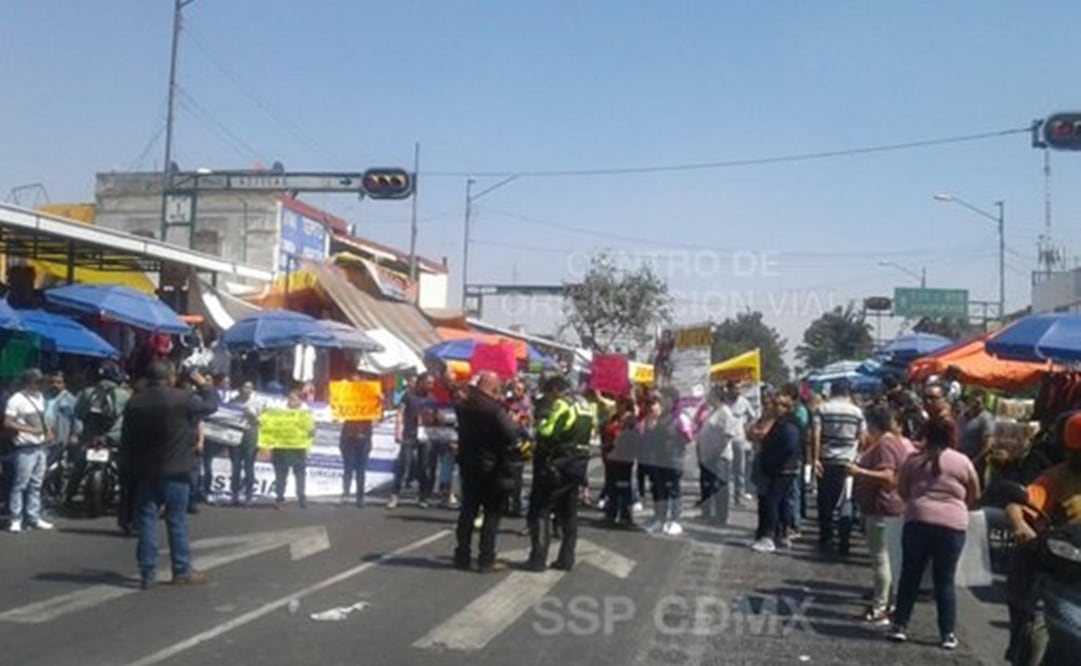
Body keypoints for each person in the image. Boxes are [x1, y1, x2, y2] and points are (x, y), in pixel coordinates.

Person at [122, 361, 218, 589]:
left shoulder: (135, 403)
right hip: (177, 470)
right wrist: (203, 385)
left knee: (147, 522)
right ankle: (181, 570)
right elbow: (211, 405)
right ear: (171, 377)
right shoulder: (182, 399)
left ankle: (147, 573)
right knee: (176, 520)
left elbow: (127, 440)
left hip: (147, 471)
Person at [887, 416, 980, 649]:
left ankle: (900, 625)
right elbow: (974, 492)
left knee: (910, 576)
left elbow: (902, 489)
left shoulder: (914, 460)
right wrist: (959, 507)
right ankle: (947, 633)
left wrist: (918, 503)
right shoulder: (962, 461)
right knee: (945, 580)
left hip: (918, 520)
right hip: (952, 525)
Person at [1004, 412, 1081, 666]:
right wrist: (1021, 527)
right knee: (1035, 642)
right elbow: (1020, 504)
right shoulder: (1056, 478)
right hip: (1058, 574)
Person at [850, 405, 916, 624]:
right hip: (894, 506)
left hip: (883, 506)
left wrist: (859, 471)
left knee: (881, 559)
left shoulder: (885, 444)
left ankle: (880, 606)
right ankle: (890, 604)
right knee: (890, 558)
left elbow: (887, 475)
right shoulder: (895, 442)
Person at [453, 371, 522, 572]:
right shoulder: (494, 410)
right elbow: (511, 435)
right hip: (493, 467)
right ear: (494, 388)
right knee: (492, 514)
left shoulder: (463, 406)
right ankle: (486, 558)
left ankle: (462, 555)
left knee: (468, 512)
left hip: (468, 464)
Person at [527, 376, 588, 571]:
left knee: (541, 509)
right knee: (569, 511)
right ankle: (566, 558)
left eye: (548, 394)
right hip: (579, 462)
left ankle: (538, 559)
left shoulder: (563, 404)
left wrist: (540, 423)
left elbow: (548, 431)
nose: (548, 398)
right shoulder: (584, 404)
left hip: (559, 462)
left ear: (555, 390)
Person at [70, 362, 131, 523]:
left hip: (90, 437)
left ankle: (68, 494)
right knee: (124, 470)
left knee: (79, 466)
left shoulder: (87, 392)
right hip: (114, 437)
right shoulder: (124, 394)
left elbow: (78, 413)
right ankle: (127, 498)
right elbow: (128, 417)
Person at [812, 380, 866, 555]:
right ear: (847, 392)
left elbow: (816, 434)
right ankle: (844, 537)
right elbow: (863, 438)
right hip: (848, 461)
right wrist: (857, 455)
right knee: (846, 499)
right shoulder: (857, 412)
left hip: (827, 460)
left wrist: (815, 459)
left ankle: (826, 535)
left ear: (832, 391)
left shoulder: (822, 409)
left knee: (825, 500)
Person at [751, 394, 802, 553]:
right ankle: (781, 535)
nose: (775, 408)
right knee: (781, 503)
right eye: (775, 404)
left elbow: (789, 447)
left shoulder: (788, 425)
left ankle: (769, 536)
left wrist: (772, 461)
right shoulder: (781, 423)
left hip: (782, 470)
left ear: (787, 408)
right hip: (781, 469)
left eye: (780, 405)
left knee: (772, 503)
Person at [5, 369, 53, 532]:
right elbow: (7, 422)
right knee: (20, 484)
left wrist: (48, 431)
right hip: (25, 447)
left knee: (36, 484)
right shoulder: (16, 399)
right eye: (37, 382)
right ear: (28, 382)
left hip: (40, 447)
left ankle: (33, 516)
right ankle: (15, 518)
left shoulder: (40, 397)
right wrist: (30, 430)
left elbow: (43, 417)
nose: (40, 385)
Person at [388, 373, 433, 510]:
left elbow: (436, 417)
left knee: (424, 467)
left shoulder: (432, 398)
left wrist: (431, 418)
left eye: (432, 384)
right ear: (421, 382)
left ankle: (423, 497)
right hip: (409, 434)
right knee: (404, 464)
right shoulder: (408, 396)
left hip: (425, 435)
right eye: (428, 383)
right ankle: (395, 495)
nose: (431, 386)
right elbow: (400, 413)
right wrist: (398, 431)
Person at [272, 389, 312, 509]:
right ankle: (279, 498)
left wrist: (308, 444)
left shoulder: (305, 412)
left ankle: (301, 498)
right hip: (282, 447)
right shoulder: (280, 410)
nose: (290, 401)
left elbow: (310, 431)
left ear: (300, 401)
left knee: (300, 473)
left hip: (298, 448)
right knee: (280, 474)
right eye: (289, 398)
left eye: (293, 399)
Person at [602, 398, 638, 527]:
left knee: (623, 485)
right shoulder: (614, 418)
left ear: (626, 405)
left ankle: (625, 514)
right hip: (610, 457)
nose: (617, 406)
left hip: (624, 457)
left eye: (620, 403)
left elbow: (633, 437)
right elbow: (605, 430)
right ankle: (611, 513)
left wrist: (620, 436)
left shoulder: (631, 420)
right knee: (611, 485)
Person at [340, 376, 374, 507]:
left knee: (361, 470)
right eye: (353, 382)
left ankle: (360, 497)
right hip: (348, 437)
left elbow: (378, 415)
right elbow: (337, 411)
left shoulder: (369, 398)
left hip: (364, 438)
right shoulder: (346, 397)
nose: (355, 385)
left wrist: (379, 400)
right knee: (347, 468)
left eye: (358, 382)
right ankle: (345, 495)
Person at [228, 381, 262, 505]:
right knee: (235, 466)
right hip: (236, 433)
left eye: (250, 387)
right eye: (245, 387)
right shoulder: (233, 402)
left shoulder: (257, 402)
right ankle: (234, 494)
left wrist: (252, 415)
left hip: (250, 433)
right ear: (240, 388)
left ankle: (248, 494)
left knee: (249, 465)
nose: (248, 390)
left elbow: (261, 422)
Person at [726, 381, 758, 505]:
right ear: (729, 389)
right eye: (735, 388)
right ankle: (725, 497)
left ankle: (738, 497)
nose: (737, 391)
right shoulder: (724, 402)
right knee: (726, 469)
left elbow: (753, 416)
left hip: (739, 439)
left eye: (739, 389)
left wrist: (747, 427)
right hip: (725, 440)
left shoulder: (744, 402)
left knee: (740, 469)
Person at [958, 390, 994, 485]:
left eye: (978, 402)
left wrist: (975, 461)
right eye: (973, 400)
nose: (975, 404)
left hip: (975, 460)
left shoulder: (985, 418)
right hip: (960, 457)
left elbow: (988, 444)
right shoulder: (962, 417)